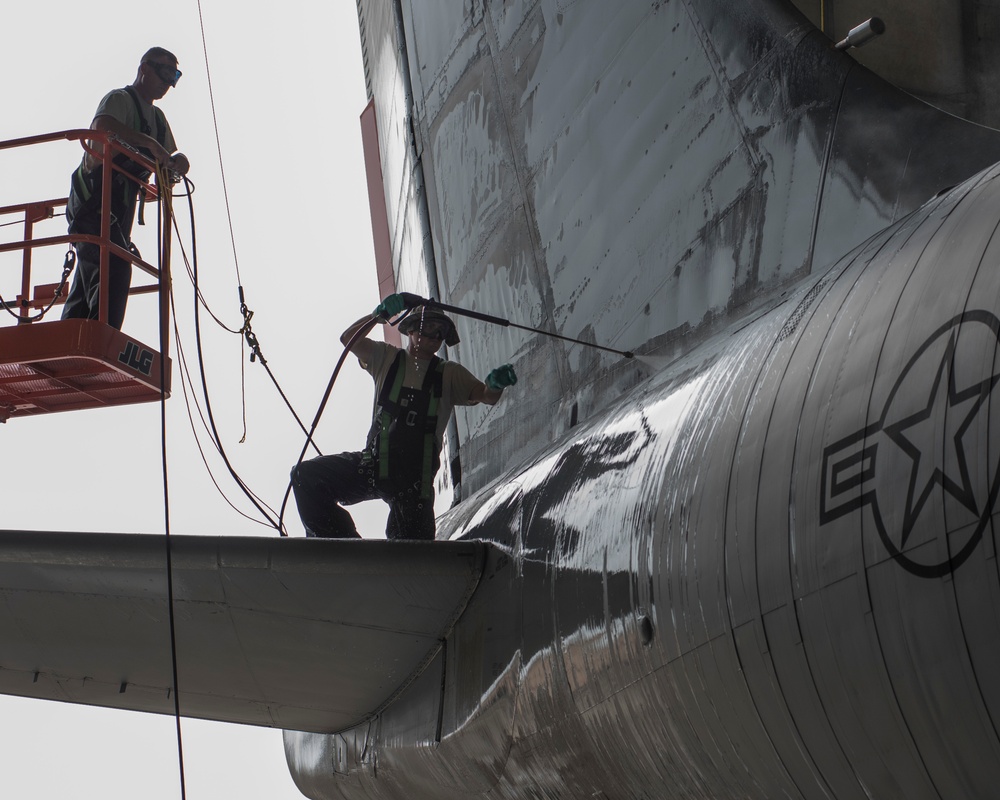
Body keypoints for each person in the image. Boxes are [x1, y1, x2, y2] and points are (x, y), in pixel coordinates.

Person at [290, 294, 518, 540]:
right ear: (410, 329)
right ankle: (343, 551)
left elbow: (485, 395)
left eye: (439, 332)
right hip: (375, 465)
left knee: (414, 556)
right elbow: (349, 339)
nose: (433, 336)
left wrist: (495, 385)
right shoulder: (386, 357)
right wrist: (378, 316)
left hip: (414, 482)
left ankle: (396, 570)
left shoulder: (449, 373)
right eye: (427, 328)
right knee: (306, 477)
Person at [61, 47, 190, 330]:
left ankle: (69, 339)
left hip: (117, 215)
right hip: (91, 206)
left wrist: (178, 162)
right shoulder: (120, 99)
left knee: (89, 280)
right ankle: (101, 340)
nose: (169, 82)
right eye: (164, 72)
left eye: (174, 76)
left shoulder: (157, 120)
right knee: (114, 266)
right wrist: (147, 143)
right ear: (144, 68)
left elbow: (166, 164)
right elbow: (102, 127)